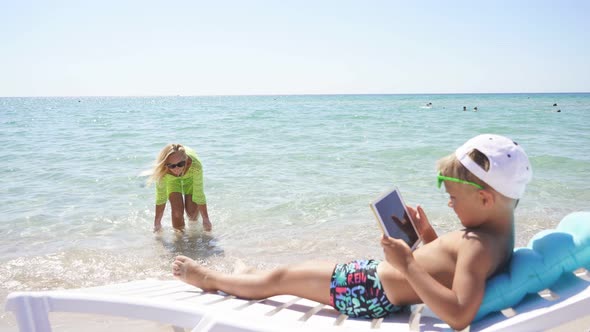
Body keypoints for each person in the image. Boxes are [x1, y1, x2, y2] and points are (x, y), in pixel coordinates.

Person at [172, 134, 532, 330]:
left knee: (281, 278)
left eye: (452, 196)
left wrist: (407, 264)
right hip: (372, 283)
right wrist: (428, 237)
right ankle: (249, 276)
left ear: (485, 198)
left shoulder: (477, 246)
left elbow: (458, 315)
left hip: (366, 291)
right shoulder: (494, 237)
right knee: (297, 272)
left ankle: (209, 278)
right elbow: (450, 270)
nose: (450, 204)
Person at [149, 143, 212, 232]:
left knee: (192, 214)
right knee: (177, 213)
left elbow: (199, 193)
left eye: (181, 164)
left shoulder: (196, 166)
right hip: (172, 181)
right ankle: (179, 238)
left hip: (189, 178)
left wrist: (206, 219)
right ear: (166, 164)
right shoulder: (163, 171)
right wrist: (157, 223)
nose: (177, 168)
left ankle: (192, 237)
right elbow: (161, 198)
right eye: (172, 165)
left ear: (186, 160)